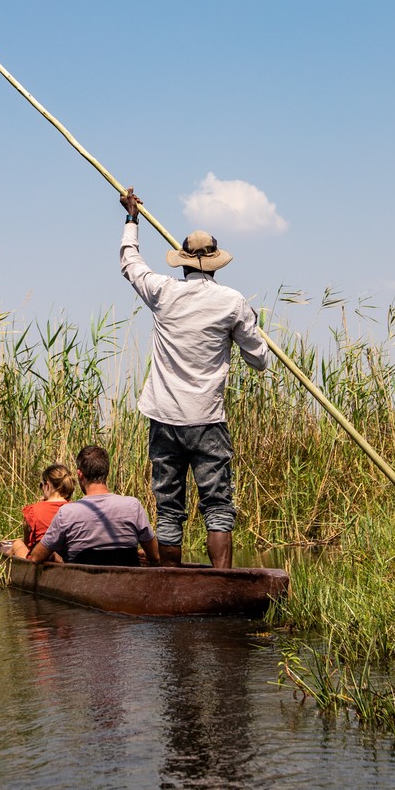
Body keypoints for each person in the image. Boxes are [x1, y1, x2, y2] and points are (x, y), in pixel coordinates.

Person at [116, 188, 269, 568]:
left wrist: (132, 219)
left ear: (181, 262)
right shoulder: (232, 302)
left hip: (165, 419)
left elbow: (130, 264)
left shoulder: (164, 293)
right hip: (207, 420)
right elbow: (260, 360)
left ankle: (172, 582)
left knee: (169, 507)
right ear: (215, 264)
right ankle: (221, 583)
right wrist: (244, 331)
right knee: (217, 503)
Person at [28, 445, 161, 567]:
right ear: (107, 472)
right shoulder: (133, 505)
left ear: (80, 474)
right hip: (127, 581)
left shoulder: (67, 512)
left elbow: (36, 557)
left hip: (81, 582)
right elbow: (155, 556)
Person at [10, 462, 76, 559]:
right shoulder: (75, 509)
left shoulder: (33, 511)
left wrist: (40, 505)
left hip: (40, 560)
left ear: (47, 486)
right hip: (67, 560)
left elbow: (28, 544)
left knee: (17, 543)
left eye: (42, 485)